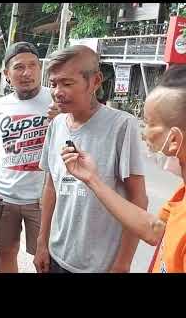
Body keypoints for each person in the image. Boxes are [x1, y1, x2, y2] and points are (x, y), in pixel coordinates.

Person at [61, 65, 186, 273]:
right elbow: (155, 230)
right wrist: (92, 179)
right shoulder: (181, 195)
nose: (143, 133)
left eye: (148, 123)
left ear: (173, 139)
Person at [34, 45, 148, 273]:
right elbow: (50, 188)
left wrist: (122, 263)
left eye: (67, 83)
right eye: (53, 84)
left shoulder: (121, 126)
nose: (57, 91)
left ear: (95, 81)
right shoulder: (56, 124)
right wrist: (41, 243)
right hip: (57, 256)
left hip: (101, 265)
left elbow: (138, 200)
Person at [0, 42, 53, 273]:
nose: (27, 73)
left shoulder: (57, 100)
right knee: (6, 251)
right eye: (19, 67)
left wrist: (64, 116)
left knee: (46, 259)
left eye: (33, 65)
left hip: (41, 199)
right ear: (7, 74)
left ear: (40, 68)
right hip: (4, 195)